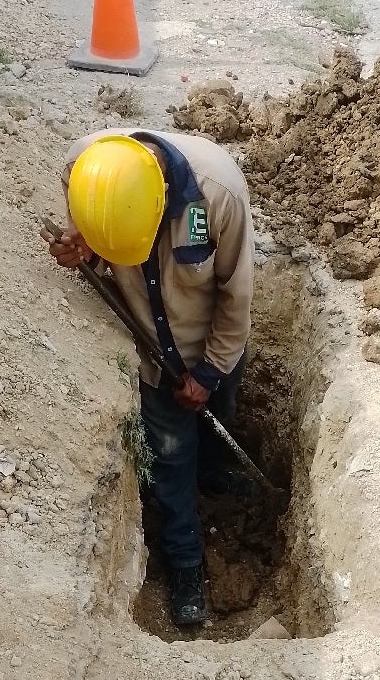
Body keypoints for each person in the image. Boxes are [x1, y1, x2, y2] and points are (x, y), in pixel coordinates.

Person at [40, 129, 255, 626]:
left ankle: (218, 478)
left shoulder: (217, 196)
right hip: (155, 356)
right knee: (170, 457)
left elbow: (237, 298)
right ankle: (185, 564)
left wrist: (209, 372)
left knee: (218, 418)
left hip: (214, 344)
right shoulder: (90, 174)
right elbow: (94, 243)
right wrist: (83, 252)